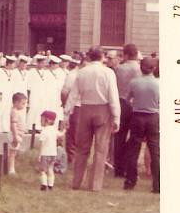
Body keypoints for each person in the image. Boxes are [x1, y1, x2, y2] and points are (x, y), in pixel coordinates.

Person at [64, 47, 120, 192]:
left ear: (89, 57)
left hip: (85, 109)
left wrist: (66, 113)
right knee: (101, 149)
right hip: (103, 110)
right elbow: (113, 96)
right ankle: (95, 185)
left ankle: (77, 181)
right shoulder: (108, 72)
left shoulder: (82, 72)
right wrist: (116, 116)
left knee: (82, 148)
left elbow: (73, 94)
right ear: (102, 57)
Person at [123, 57, 159, 193]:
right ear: (154, 68)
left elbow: (127, 100)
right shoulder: (159, 84)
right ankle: (158, 185)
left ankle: (130, 181)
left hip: (137, 116)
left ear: (141, 68)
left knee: (134, 150)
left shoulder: (134, 82)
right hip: (153, 116)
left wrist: (135, 104)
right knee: (155, 151)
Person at [113, 44, 141, 179]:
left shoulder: (120, 68)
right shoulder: (140, 68)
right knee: (135, 137)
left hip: (121, 102)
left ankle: (119, 168)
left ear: (126, 55)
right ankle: (129, 165)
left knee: (119, 137)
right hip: (135, 104)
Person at [36, 110, 62, 191]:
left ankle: (44, 184)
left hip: (45, 153)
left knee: (42, 170)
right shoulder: (54, 130)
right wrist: (65, 130)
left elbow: (42, 144)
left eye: (41, 120)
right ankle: (51, 185)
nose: (40, 121)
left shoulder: (44, 131)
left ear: (47, 120)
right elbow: (60, 135)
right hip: (53, 154)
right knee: (50, 169)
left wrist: (39, 155)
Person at [7, 92, 28, 175]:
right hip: (15, 135)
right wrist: (15, 136)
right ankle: (11, 169)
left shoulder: (16, 111)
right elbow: (13, 125)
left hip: (18, 134)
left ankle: (12, 167)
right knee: (12, 153)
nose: (24, 105)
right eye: (23, 103)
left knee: (14, 152)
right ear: (16, 103)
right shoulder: (14, 112)